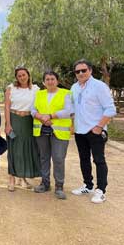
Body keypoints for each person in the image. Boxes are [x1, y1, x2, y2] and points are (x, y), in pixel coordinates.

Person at [70, 59, 116, 203]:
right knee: (84, 159)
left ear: (90, 70)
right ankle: (88, 185)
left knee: (99, 160)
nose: (81, 73)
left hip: (95, 130)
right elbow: (73, 108)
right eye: (78, 71)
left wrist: (99, 127)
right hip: (80, 131)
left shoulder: (99, 86)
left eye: (84, 70)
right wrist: (73, 124)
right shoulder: (74, 87)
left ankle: (101, 190)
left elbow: (110, 109)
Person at [31, 71, 73, 200]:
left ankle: (59, 186)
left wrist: (49, 116)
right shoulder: (39, 94)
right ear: (43, 82)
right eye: (47, 79)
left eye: (52, 79)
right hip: (42, 130)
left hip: (59, 131)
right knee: (44, 157)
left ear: (57, 81)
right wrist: (41, 118)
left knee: (58, 158)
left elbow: (68, 111)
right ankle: (45, 183)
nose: (50, 81)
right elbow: (33, 110)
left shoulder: (66, 93)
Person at [4, 66, 40, 192]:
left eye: (24, 75)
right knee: (14, 150)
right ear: (16, 78)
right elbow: (7, 107)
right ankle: (11, 179)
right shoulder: (11, 88)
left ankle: (22, 178)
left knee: (26, 150)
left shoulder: (36, 89)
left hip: (29, 121)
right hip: (15, 119)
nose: (22, 77)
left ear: (28, 75)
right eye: (19, 76)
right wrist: (8, 124)